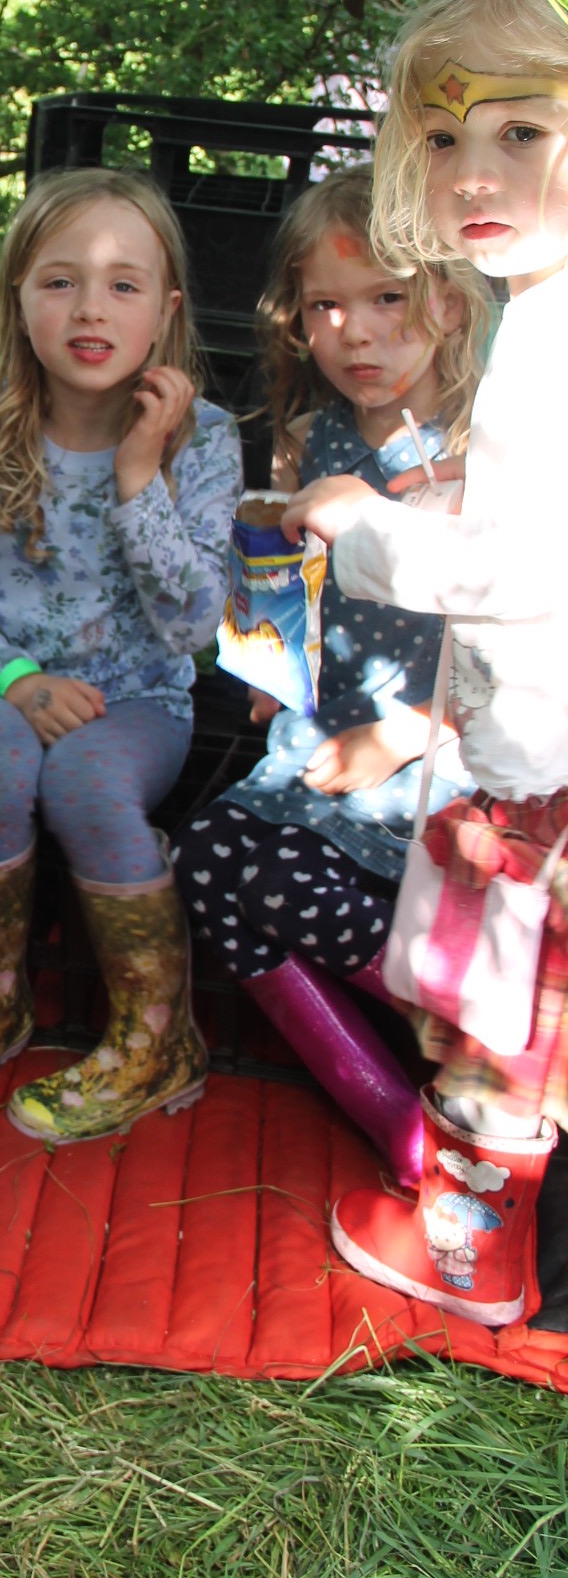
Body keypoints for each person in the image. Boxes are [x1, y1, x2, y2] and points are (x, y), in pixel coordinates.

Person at [284, 0, 568, 1326]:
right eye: (443, 137)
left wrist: (366, 527)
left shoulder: (546, 340)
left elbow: (517, 574)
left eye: (523, 129)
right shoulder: (541, 312)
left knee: (494, 1019)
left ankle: (467, 1255)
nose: (475, 174)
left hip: (533, 766)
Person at [0, 168, 244, 1139]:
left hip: (138, 696)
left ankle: (156, 1038)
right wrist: (15, 677)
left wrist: (137, 474)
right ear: (18, 299)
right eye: (60, 281)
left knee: (86, 782)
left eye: (123, 284)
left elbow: (191, 623)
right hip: (0, 676)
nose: (90, 308)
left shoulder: (202, 441)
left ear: (166, 312)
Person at [171, 166, 492, 1187]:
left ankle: (476, 1035)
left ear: (449, 301)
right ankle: (398, 1117)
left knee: (261, 875)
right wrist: (271, 662)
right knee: (207, 858)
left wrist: (402, 734)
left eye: (387, 297)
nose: (356, 332)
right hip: (330, 739)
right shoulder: (312, 438)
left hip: (448, 754)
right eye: (324, 306)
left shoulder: (490, 454)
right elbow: (288, 588)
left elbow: (520, 650)